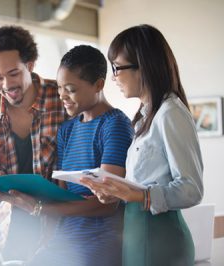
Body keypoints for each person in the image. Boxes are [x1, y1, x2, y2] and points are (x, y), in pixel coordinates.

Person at [0, 45, 134, 266]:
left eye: (71, 89)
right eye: (59, 88)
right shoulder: (67, 129)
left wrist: (39, 208)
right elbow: (62, 195)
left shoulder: (115, 125)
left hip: (97, 244)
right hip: (63, 242)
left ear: (98, 84)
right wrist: (44, 242)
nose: (62, 96)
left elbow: (107, 204)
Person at [80, 24, 204, 266]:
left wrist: (140, 195)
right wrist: (114, 193)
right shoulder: (145, 116)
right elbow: (143, 183)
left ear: (143, 67)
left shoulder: (170, 113)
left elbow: (192, 189)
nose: (113, 77)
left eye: (117, 68)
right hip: (137, 233)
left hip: (161, 238)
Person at [0, 25, 67, 261]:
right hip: (15, 231)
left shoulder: (64, 99)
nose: (7, 84)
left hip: (65, 225)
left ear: (30, 65)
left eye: (13, 73)